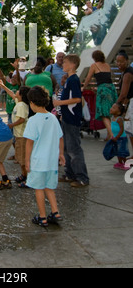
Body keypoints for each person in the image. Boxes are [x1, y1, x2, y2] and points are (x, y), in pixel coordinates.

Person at [24, 86, 65, 228]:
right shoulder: (53, 118)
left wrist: (26, 160)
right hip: (52, 162)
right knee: (49, 188)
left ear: (32, 103)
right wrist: (61, 154)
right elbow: (60, 137)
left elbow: (29, 143)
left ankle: (42, 217)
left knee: (39, 188)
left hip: (38, 162)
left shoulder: (33, 120)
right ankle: (55, 212)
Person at [53, 54, 89, 188]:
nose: (63, 64)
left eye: (66, 62)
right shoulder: (69, 79)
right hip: (67, 117)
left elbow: (77, 99)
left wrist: (59, 102)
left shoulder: (73, 79)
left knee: (74, 148)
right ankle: (70, 173)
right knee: (67, 147)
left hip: (72, 118)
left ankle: (82, 177)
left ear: (73, 65)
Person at [0, 80, 30, 186]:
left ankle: (28, 178)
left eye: (18, 91)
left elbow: (21, 119)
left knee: (23, 158)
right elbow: (11, 94)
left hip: (22, 136)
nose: (15, 92)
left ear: (21, 95)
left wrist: (11, 125)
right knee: (20, 157)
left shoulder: (22, 106)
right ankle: (24, 175)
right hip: (18, 135)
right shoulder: (19, 103)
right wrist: (3, 86)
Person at [82, 50, 118, 140]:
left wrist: (83, 87)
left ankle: (112, 134)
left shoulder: (94, 66)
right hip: (111, 88)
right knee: (109, 112)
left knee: (103, 114)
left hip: (103, 90)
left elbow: (88, 78)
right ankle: (109, 135)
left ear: (94, 58)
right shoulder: (107, 65)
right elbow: (106, 78)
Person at [116, 50, 133, 157]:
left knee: (130, 129)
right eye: (117, 62)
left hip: (131, 103)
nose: (119, 64)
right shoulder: (126, 72)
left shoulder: (128, 74)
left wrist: (116, 104)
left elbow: (123, 94)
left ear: (127, 61)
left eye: (121, 61)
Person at [110, 103, 130, 170]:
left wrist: (117, 137)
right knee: (117, 151)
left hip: (121, 138)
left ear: (118, 112)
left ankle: (125, 163)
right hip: (116, 138)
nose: (111, 109)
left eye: (113, 108)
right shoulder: (112, 118)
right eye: (112, 107)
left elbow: (121, 129)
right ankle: (120, 162)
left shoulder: (119, 119)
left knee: (122, 151)